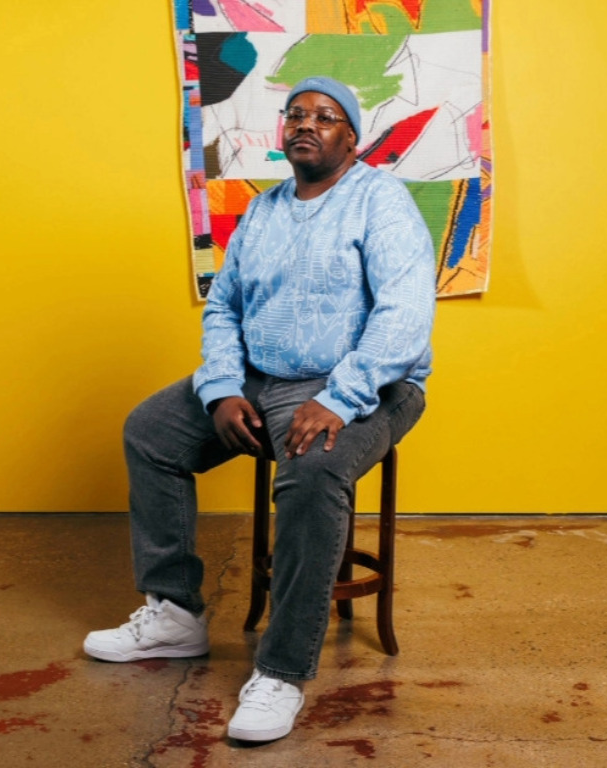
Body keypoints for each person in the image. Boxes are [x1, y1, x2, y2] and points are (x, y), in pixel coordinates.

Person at [84, 76, 436, 742]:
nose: (307, 124)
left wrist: (339, 398)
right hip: (260, 376)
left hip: (365, 383)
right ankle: (175, 614)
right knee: (150, 431)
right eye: (296, 114)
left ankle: (280, 672)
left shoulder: (380, 202)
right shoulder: (264, 210)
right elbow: (224, 307)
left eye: (326, 117)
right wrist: (220, 387)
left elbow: (404, 316)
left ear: (351, 139)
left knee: (311, 468)